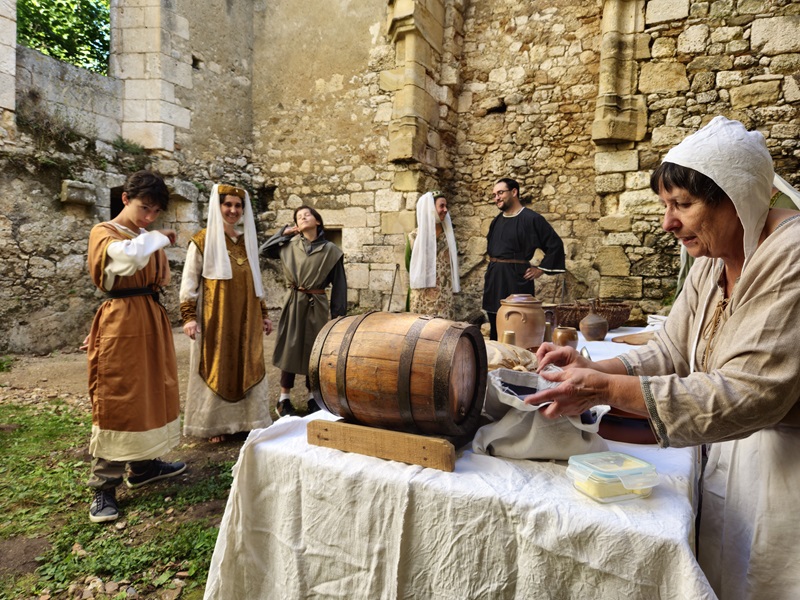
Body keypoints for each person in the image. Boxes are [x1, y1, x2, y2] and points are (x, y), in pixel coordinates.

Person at [528, 116, 800, 600]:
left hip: (785, 474)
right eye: (665, 205)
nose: (667, 223)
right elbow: (671, 351)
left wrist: (607, 390)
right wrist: (591, 368)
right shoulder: (712, 261)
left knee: (771, 580)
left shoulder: (791, 256)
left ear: (737, 199)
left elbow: (751, 393)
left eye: (683, 205)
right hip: (727, 456)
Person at [85, 170, 186, 523]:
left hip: (149, 316)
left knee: (151, 390)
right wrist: (156, 237)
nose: (149, 217)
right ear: (125, 199)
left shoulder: (144, 234)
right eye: (144, 208)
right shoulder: (105, 232)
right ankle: (103, 486)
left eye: (155, 211)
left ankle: (144, 466)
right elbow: (125, 259)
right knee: (118, 394)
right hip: (122, 320)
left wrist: (152, 235)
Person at [179, 184, 273, 444]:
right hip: (215, 317)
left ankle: (248, 421)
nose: (233, 210)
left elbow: (255, 281)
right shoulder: (202, 240)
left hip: (247, 316)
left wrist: (263, 313)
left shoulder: (246, 241)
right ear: (218, 206)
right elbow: (189, 281)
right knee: (217, 364)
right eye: (228, 204)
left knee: (248, 362)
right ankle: (214, 424)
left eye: (238, 205)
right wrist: (188, 316)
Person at [261, 205, 347, 416]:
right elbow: (264, 250)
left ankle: (313, 397)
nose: (302, 217)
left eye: (307, 214)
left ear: (318, 221)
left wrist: (338, 318)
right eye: (298, 217)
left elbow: (339, 285)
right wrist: (284, 232)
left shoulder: (332, 251)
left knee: (314, 349)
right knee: (290, 346)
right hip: (293, 301)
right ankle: (283, 398)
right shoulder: (289, 245)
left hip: (316, 303)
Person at [482, 177, 565, 340]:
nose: (496, 198)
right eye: (494, 195)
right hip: (495, 277)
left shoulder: (532, 219)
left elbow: (555, 245)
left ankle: (520, 359)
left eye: (500, 193)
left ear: (514, 192)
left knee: (518, 323)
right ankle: (497, 359)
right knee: (495, 321)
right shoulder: (496, 221)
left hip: (517, 278)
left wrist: (540, 269)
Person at [406, 190, 460, 319]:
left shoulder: (449, 239)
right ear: (430, 208)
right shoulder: (414, 238)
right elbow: (409, 265)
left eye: (446, 206)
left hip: (444, 300)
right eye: (441, 206)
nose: (445, 210)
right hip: (421, 299)